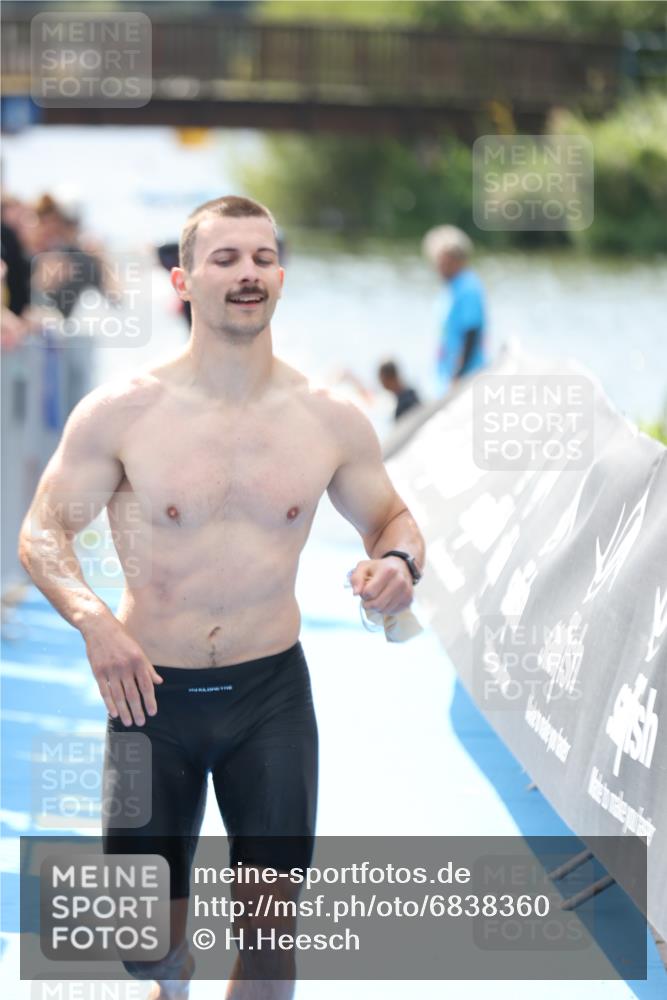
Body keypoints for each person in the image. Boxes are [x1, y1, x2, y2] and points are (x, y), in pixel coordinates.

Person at [18, 195, 426, 1000]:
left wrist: (401, 562)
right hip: (149, 701)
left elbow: (392, 518)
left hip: (268, 694)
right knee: (145, 948)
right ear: (183, 281)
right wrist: (95, 623)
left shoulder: (329, 419)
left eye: (263, 258)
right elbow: (41, 534)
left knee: (272, 938)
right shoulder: (124, 412)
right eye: (226, 258)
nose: (249, 274)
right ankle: (168, 976)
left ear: (281, 276)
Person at [422, 224, 488, 392]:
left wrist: (458, 375)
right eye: (438, 262)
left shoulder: (468, 288)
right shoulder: (451, 287)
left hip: (466, 377)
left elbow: (471, 334)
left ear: (459, 260)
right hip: (445, 375)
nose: (440, 268)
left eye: (445, 262)